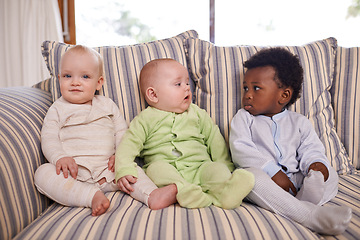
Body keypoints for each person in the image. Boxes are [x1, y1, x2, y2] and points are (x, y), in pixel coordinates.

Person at [34, 45, 175, 216]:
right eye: (67, 76)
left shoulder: (107, 105)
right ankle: (90, 196)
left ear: (99, 82)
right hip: (73, 173)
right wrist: (59, 157)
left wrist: (121, 157)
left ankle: (151, 195)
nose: (75, 82)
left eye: (85, 76)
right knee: (42, 174)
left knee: (132, 169)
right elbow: (48, 137)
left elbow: (122, 133)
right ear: (59, 78)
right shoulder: (58, 108)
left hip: (110, 170)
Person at [229, 47, 352, 235]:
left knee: (331, 175)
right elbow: (241, 150)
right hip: (267, 179)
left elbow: (311, 149)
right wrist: (273, 171)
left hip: (298, 180)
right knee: (249, 179)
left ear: (283, 95)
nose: (248, 94)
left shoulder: (299, 122)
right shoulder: (243, 118)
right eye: (245, 88)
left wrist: (316, 165)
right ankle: (307, 214)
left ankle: (302, 200)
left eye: (256, 88)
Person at [115, 58, 254, 209]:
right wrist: (124, 169)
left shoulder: (197, 113)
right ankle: (186, 191)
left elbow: (215, 139)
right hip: (167, 168)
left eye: (187, 83)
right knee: (156, 169)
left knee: (217, 170)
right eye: (178, 84)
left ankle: (226, 193)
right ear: (153, 95)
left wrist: (225, 165)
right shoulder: (145, 119)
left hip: (200, 167)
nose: (187, 88)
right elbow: (129, 143)